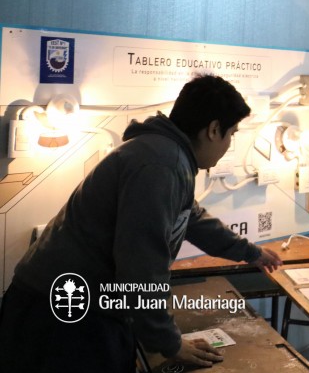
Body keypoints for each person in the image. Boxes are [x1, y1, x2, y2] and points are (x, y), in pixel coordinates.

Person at [0, 74, 283, 372]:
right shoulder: (161, 164)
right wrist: (170, 344)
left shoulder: (166, 154)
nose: (229, 143)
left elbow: (191, 217)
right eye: (232, 133)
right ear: (214, 130)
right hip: (62, 317)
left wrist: (250, 252)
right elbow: (142, 264)